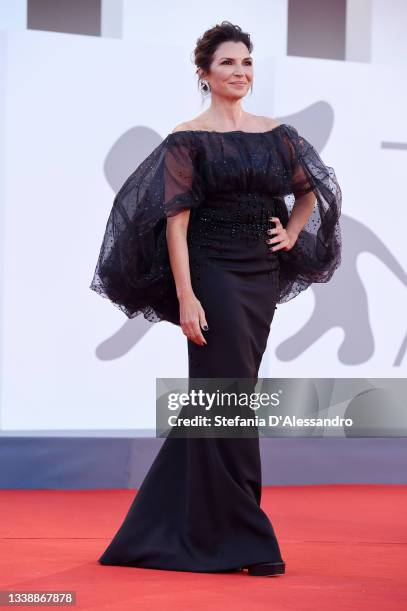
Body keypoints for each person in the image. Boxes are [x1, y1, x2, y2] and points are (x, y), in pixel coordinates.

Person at [89, 21, 342, 576]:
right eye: (228, 63)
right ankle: (245, 534)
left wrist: (294, 232)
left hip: (260, 273)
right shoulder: (187, 137)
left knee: (224, 400)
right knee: (227, 400)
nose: (241, 73)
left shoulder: (277, 133)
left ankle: (162, 528)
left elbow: (313, 188)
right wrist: (186, 296)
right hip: (212, 270)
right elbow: (175, 225)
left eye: (247, 63)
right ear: (204, 74)